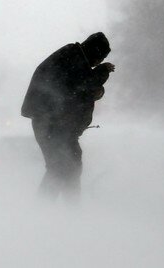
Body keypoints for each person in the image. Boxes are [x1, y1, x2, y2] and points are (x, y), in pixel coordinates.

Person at [21, 32, 114, 202]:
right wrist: (101, 72)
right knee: (61, 167)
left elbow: (78, 90)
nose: (97, 63)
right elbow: (80, 86)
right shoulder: (73, 56)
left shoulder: (74, 57)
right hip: (52, 123)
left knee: (68, 166)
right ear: (94, 51)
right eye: (99, 58)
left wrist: (96, 89)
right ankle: (53, 211)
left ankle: (66, 212)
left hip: (58, 125)